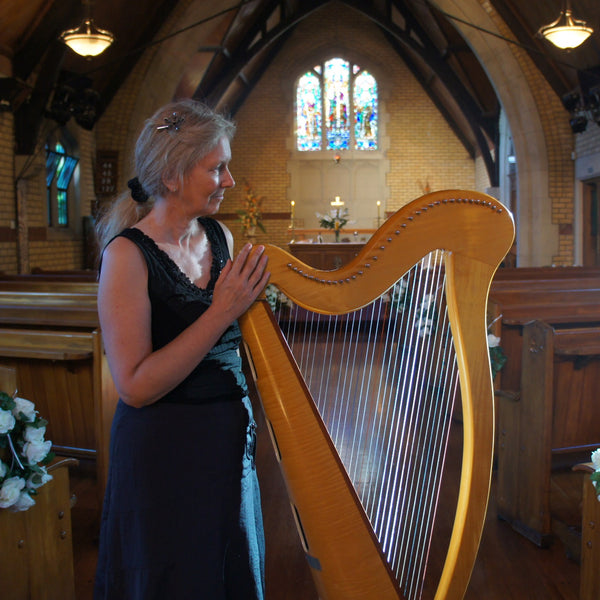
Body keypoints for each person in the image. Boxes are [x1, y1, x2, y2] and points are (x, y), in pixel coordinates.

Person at [93, 99, 270, 599]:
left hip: (229, 443)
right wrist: (222, 310)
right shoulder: (127, 255)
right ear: (171, 176)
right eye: (217, 168)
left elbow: (235, 342)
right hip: (164, 452)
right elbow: (135, 386)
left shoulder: (221, 236)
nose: (229, 180)